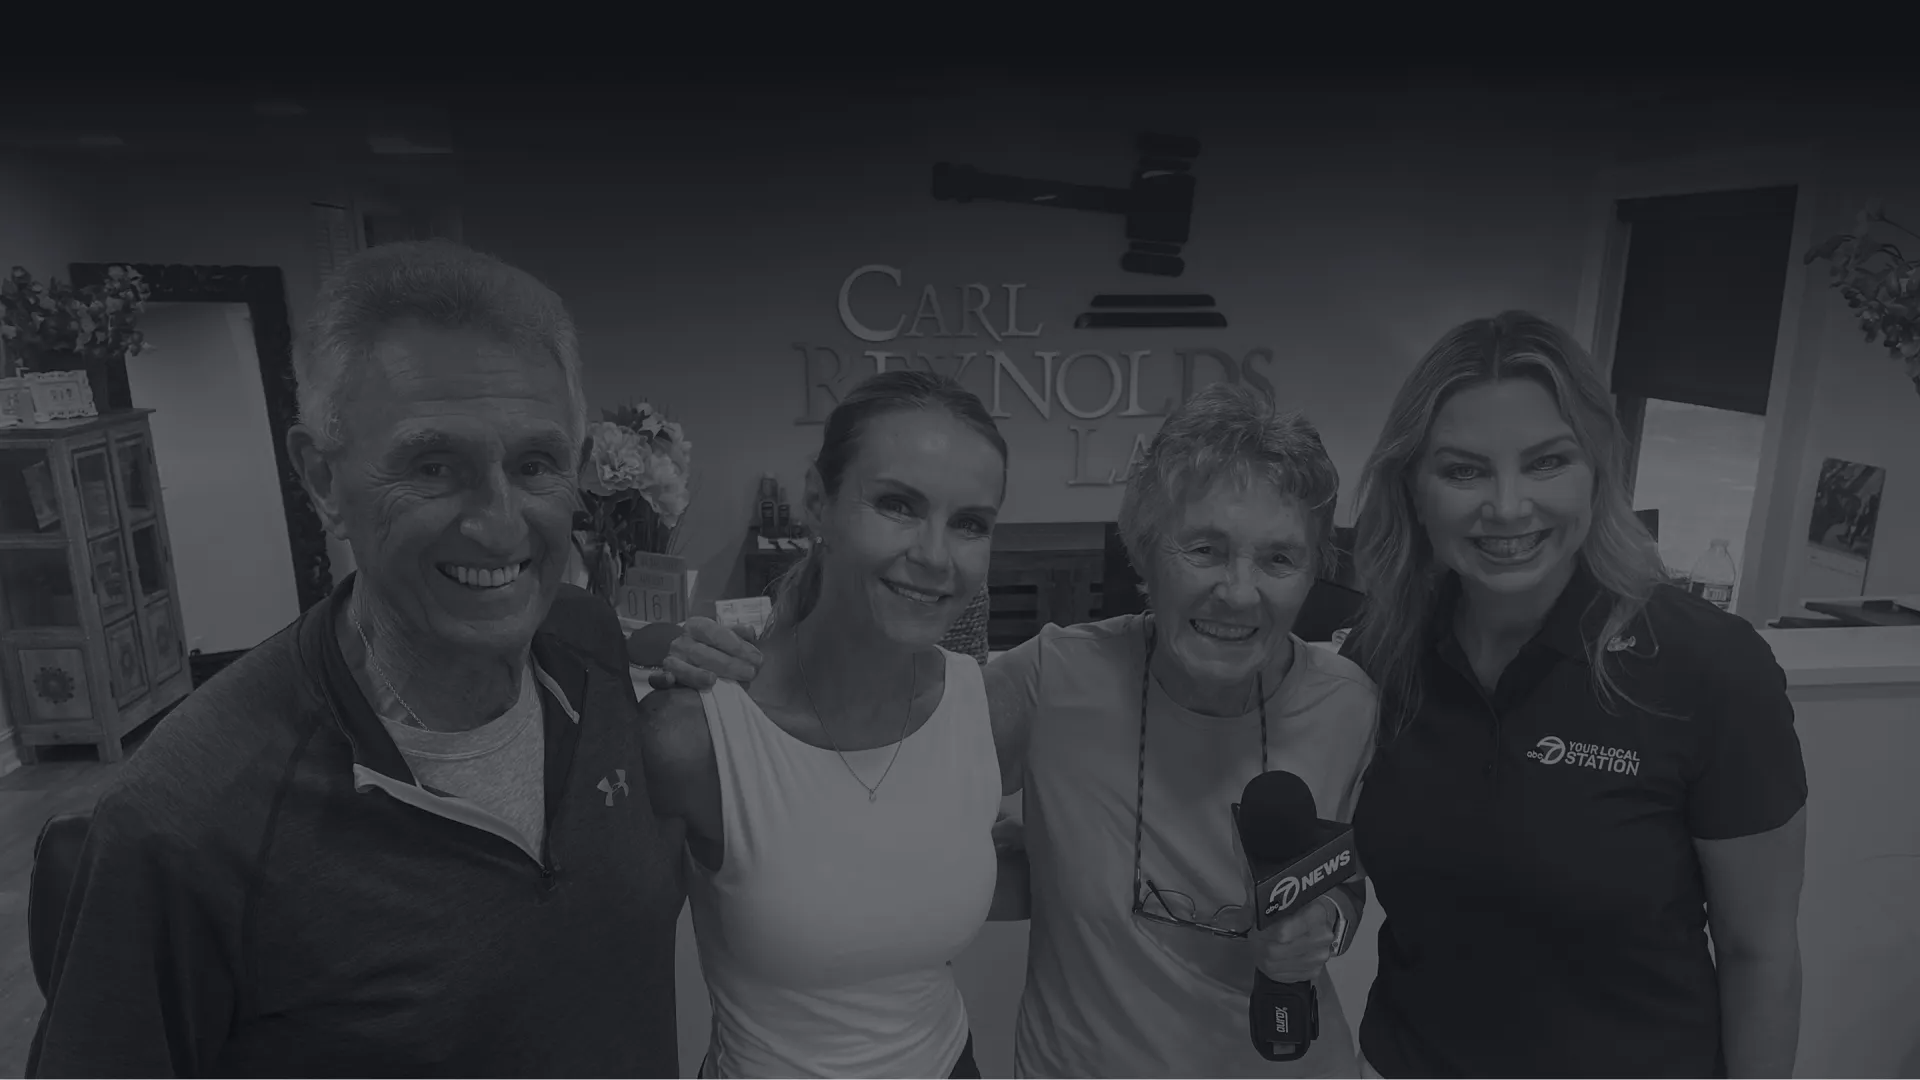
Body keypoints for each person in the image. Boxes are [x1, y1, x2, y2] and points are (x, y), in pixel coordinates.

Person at [28, 241, 685, 1077]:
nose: (497, 524)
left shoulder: (585, 644)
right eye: (432, 466)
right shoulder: (188, 819)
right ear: (322, 481)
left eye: (534, 464)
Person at [663, 382, 1379, 1077]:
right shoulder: (1054, 679)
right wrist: (684, 650)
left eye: (1279, 558)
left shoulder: (1347, 704)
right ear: (1144, 552)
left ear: (1314, 571)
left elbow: (1345, 873)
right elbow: (865, 765)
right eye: (1204, 549)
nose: (1239, 591)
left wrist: (1329, 924)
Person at [1340, 311, 1807, 1078]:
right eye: (1463, 470)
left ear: (1598, 468)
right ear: (1412, 489)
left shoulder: (1710, 669)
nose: (1509, 506)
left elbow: (1761, 958)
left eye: (1548, 462)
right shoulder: (1379, 658)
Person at [638, 370, 1023, 1078]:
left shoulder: (985, 710)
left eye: (970, 523)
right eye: (898, 505)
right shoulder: (695, 736)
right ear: (818, 502)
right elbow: (603, 964)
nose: (936, 556)